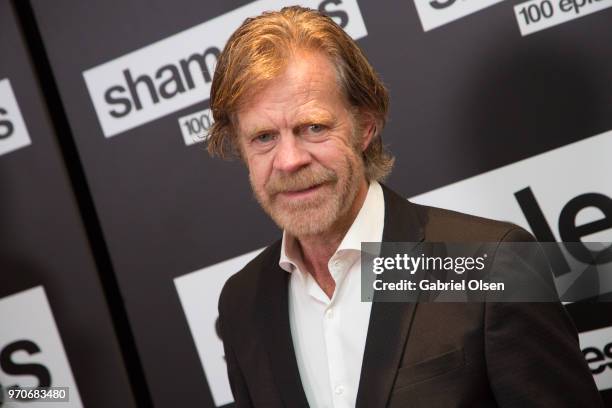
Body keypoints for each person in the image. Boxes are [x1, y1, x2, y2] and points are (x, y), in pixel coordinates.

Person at [207, 6, 602, 408]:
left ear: (366, 126)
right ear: (240, 148)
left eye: (314, 127)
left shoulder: (490, 265)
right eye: (263, 137)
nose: (289, 160)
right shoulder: (243, 302)